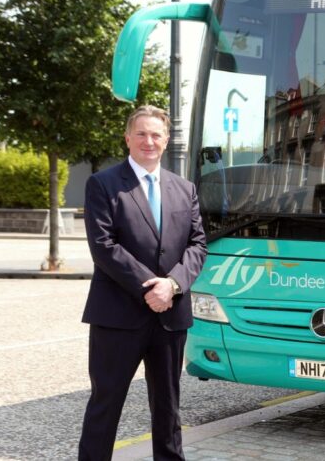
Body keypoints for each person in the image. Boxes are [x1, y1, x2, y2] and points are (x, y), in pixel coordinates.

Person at [78, 105, 207, 461]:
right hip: (117, 316)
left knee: (168, 408)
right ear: (127, 138)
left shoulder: (185, 189)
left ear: (166, 140)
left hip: (170, 316)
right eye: (141, 134)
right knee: (105, 405)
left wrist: (174, 285)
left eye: (156, 134)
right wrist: (152, 287)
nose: (148, 141)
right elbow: (103, 247)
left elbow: (198, 245)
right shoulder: (102, 184)